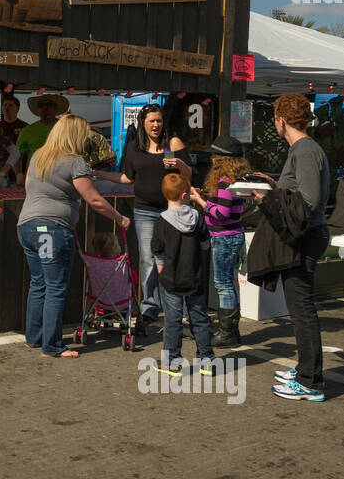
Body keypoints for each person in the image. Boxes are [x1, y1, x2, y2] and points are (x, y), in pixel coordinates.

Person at [17, 114, 132, 358]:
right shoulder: (76, 161)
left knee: (39, 283)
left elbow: (29, 188)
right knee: (56, 286)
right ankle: (52, 346)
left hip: (27, 226)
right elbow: (93, 199)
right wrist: (119, 218)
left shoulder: (39, 155)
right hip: (50, 230)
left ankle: (35, 338)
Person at [257, 93, 331, 402]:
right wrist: (273, 188)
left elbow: (309, 200)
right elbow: (298, 193)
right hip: (306, 234)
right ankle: (305, 369)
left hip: (305, 236)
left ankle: (310, 381)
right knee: (299, 308)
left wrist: (268, 198)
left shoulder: (304, 150)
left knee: (302, 310)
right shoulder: (304, 149)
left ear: (281, 120)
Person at [99, 103, 192, 328]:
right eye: (151, 121)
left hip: (172, 211)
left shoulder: (171, 144)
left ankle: (181, 307)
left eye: (159, 120)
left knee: (174, 258)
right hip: (144, 211)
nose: (156, 125)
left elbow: (188, 176)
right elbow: (127, 178)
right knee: (148, 259)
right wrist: (99, 174)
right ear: (143, 123)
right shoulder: (135, 147)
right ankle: (150, 307)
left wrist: (179, 163)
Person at [152, 173, 216, 376]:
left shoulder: (162, 221)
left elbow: (157, 249)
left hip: (171, 277)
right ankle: (207, 360)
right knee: (199, 318)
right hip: (194, 275)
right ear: (185, 195)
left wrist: (160, 267)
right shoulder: (197, 217)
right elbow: (206, 243)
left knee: (172, 319)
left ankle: (172, 362)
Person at [190, 136, 251, 348]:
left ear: (224, 160)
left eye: (215, 156)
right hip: (231, 236)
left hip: (224, 237)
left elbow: (221, 213)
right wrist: (205, 196)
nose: (212, 160)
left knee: (223, 285)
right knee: (227, 284)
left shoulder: (225, 181)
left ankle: (227, 334)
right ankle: (231, 331)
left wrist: (199, 201)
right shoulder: (234, 179)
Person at [15, 94, 67, 171]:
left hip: (62, 176)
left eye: (48, 104)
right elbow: (17, 156)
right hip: (35, 178)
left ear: (56, 108)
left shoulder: (67, 128)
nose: (44, 108)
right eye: (41, 106)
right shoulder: (27, 131)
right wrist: (18, 174)